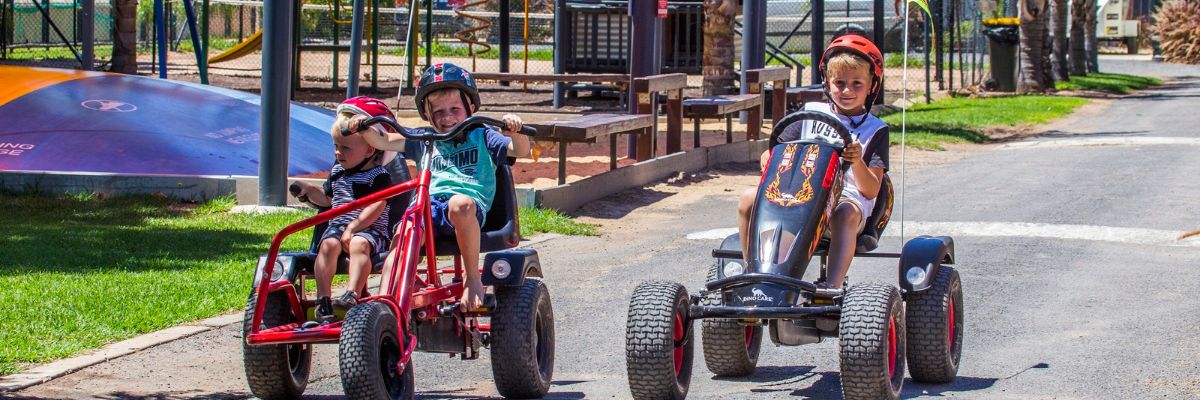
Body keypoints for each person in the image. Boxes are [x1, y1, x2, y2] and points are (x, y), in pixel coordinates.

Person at [344, 63, 530, 311]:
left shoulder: (483, 135)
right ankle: (385, 302)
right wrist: (364, 126)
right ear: (427, 114)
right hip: (427, 207)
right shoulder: (423, 139)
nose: (447, 117)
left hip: (467, 208)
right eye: (439, 112)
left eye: (455, 109)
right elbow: (383, 140)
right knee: (405, 230)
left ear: (471, 107)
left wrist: (516, 130)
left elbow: (520, 150)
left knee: (460, 205)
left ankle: (472, 279)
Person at [736, 34, 890, 289]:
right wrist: (767, 157)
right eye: (839, 83)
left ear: (872, 85)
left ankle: (831, 287)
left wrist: (857, 161)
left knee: (844, 213)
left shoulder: (875, 130)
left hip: (846, 198)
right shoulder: (810, 113)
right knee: (748, 198)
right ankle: (753, 275)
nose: (847, 91)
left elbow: (872, 189)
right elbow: (777, 151)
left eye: (857, 84)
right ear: (827, 83)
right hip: (797, 192)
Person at [291, 96, 395, 323]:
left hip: (370, 230)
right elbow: (327, 200)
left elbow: (378, 205)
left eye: (345, 148)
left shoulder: (378, 176)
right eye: (336, 147)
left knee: (358, 244)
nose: (338, 153)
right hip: (339, 227)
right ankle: (323, 300)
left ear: (369, 150)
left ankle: (352, 294)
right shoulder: (338, 172)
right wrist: (308, 190)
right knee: (327, 245)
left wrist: (354, 228)